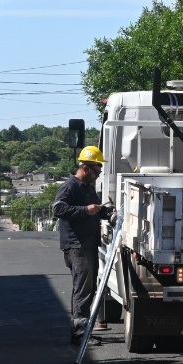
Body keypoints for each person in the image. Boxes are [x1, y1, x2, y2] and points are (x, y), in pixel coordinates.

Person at [53, 144, 111, 343]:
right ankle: (79, 332)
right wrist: (86, 210)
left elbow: (97, 209)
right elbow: (59, 209)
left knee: (88, 287)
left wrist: (106, 212)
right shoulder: (70, 186)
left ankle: (82, 329)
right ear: (85, 168)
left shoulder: (87, 188)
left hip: (88, 244)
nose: (99, 173)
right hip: (76, 245)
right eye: (96, 170)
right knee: (83, 289)